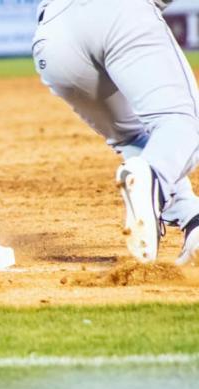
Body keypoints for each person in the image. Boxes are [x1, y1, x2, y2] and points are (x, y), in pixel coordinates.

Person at [32, 0, 199, 264]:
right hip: (119, 13)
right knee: (183, 122)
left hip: (53, 39)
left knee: (131, 138)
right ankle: (155, 181)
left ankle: (193, 222)